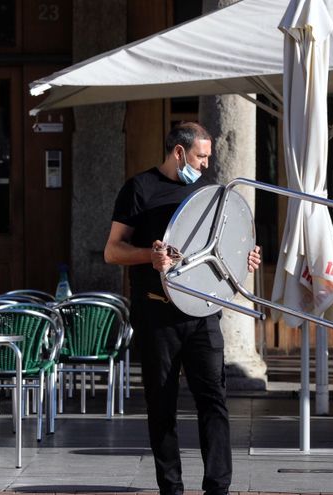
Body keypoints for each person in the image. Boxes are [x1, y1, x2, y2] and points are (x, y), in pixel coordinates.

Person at [104, 122, 261, 495]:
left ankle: (218, 487)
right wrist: (149, 256)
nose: (206, 165)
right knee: (161, 405)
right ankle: (170, 488)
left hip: (203, 313)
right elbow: (113, 250)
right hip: (158, 314)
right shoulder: (139, 189)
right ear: (179, 153)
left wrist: (246, 257)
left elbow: (225, 245)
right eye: (201, 157)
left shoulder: (208, 192)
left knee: (214, 401)